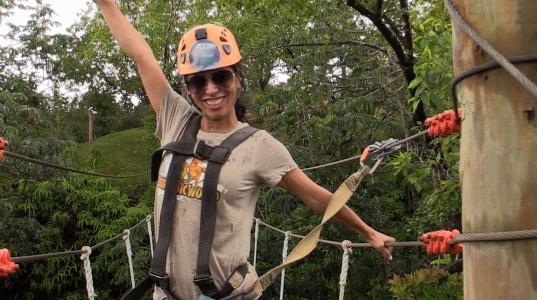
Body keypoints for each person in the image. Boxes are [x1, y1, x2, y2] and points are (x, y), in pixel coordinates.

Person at [93, 1, 396, 299]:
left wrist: (368, 232)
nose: (211, 89)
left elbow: (315, 196)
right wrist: (106, 4)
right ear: (187, 88)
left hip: (227, 295)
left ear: (238, 77)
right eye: (198, 82)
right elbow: (141, 56)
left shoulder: (260, 146)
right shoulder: (175, 119)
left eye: (221, 76)